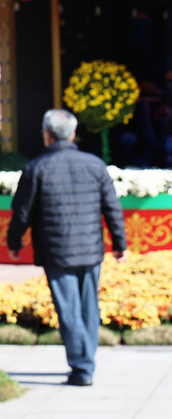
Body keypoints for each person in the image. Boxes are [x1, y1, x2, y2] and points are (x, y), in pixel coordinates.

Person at [7, 109, 126, 387]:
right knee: (87, 307)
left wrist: (14, 243)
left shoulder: (36, 167)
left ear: (47, 136)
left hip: (56, 250)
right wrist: (120, 244)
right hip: (90, 250)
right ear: (72, 134)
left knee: (69, 310)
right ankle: (86, 362)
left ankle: (82, 367)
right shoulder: (95, 165)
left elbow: (22, 213)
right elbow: (113, 209)